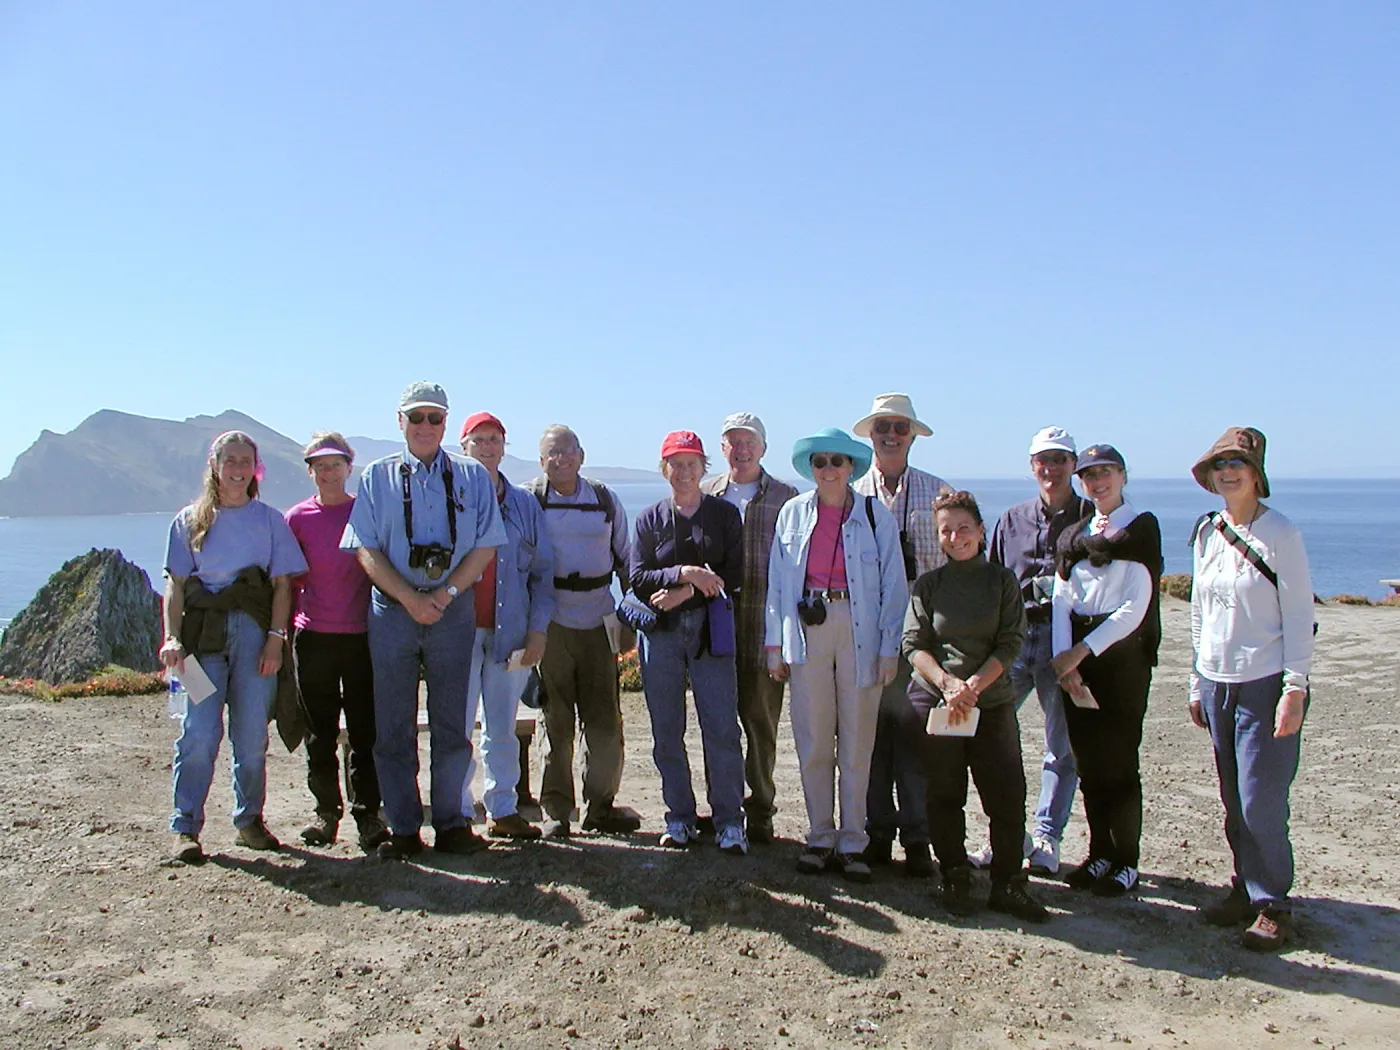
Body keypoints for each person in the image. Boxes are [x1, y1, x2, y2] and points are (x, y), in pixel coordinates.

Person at [341, 382, 506, 859]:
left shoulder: (473, 477)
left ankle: (452, 824)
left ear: (446, 423)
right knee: (392, 726)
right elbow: (365, 549)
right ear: (400, 422)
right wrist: (409, 598)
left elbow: (486, 544)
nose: (426, 426)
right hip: (393, 613)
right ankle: (405, 829)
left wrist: (446, 592)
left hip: (452, 613)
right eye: (417, 417)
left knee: (452, 723)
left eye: (435, 418)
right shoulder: (377, 477)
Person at [1188, 427, 1314, 951]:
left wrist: (1295, 687)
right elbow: (1199, 609)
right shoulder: (1207, 532)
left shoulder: (1281, 533)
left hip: (1265, 682)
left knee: (1262, 798)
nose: (1229, 472)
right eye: (1221, 464)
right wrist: (1195, 679)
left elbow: (1300, 614)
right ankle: (1246, 887)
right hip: (1218, 682)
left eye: (1238, 463)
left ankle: (1273, 905)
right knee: (1232, 797)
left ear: (1257, 472)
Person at [765, 427, 907, 882]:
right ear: (812, 468)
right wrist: (775, 644)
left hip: (859, 629)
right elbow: (777, 586)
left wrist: (889, 649)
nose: (828, 469)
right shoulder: (791, 514)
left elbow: (894, 589)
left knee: (857, 742)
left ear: (851, 468)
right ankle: (819, 836)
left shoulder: (874, 516)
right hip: (807, 631)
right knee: (812, 738)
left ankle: (853, 842)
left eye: (837, 461)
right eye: (820, 461)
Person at [160, 430, 308, 863]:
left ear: (255, 468)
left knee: (250, 736)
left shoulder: (269, 521)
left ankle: (249, 821)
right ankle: (184, 828)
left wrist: (276, 642)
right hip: (198, 642)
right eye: (231, 461)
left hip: (254, 638)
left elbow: (282, 586)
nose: (238, 470)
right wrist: (172, 638)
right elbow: (176, 584)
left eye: (246, 462)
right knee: (199, 733)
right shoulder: (189, 520)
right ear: (215, 465)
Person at [904, 491, 1047, 922]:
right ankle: (954, 876)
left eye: (964, 527)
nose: (955, 536)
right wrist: (948, 684)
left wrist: (974, 686)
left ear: (981, 531)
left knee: (1005, 796)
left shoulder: (1001, 581)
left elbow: (1011, 641)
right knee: (944, 793)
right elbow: (914, 645)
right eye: (946, 530)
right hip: (940, 702)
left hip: (993, 703)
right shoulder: (929, 586)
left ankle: (1008, 884)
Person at [1050, 444, 1162, 897]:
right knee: (1089, 762)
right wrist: (1063, 660)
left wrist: (1082, 652)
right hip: (1075, 661)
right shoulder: (1074, 534)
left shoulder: (1140, 528)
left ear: (1122, 475)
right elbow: (1061, 597)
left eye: (1106, 473)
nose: (1097, 483)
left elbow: (1137, 605)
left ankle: (1125, 860)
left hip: (1120, 661)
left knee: (1119, 762)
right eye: (1089, 475)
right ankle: (1098, 854)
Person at [630, 431, 748, 854]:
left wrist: (689, 592)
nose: (683, 472)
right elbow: (638, 577)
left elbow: (733, 574)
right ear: (664, 469)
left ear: (703, 468)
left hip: (710, 631)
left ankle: (730, 821)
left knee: (720, 728)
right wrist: (684, 573)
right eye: (675, 464)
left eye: (691, 464)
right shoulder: (648, 519)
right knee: (667, 730)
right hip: (660, 636)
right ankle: (679, 816)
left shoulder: (724, 515)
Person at [983, 426, 1092, 876]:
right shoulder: (1011, 520)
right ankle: (1009, 836)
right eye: (1043, 461)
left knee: (1061, 748)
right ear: (1032, 466)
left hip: (1062, 644)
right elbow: (992, 580)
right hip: (1014, 638)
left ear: (1073, 466)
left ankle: (1048, 838)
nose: (1051, 468)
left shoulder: (1092, 518)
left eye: (1060, 460)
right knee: (988, 738)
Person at [527, 425, 642, 839]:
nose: (561, 459)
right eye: (552, 453)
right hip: (551, 622)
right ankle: (556, 811)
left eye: (568, 451)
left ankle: (601, 807)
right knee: (554, 720)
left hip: (599, 620)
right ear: (542, 462)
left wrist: (631, 618)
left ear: (582, 455)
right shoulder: (530, 500)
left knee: (605, 721)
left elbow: (628, 560)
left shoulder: (604, 499)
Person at [852, 393, 950, 877]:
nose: (890, 435)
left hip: (922, 644)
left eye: (900, 427)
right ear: (870, 435)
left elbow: (958, 572)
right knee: (868, 743)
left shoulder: (939, 496)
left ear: (912, 435)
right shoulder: (849, 496)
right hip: (865, 638)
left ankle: (917, 838)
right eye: (882, 427)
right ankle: (876, 835)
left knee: (916, 743)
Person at [284, 432, 388, 852]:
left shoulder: (365, 512)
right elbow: (288, 582)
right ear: (310, 472)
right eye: (320, 465)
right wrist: (284, 633)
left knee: (366, 731)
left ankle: (368, 816)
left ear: (349, 467)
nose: (329, 472)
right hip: (314, 638)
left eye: (336, 464)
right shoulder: (296, 519)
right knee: (319, 732)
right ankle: (326, 813)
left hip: (362, 637)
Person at [700, 412, 798, 843]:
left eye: (748, 442)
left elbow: (796, 570)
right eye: (732, 442)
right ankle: (723, 806)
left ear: (762, 447)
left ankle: (760, 808)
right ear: (722, 449)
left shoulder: (786, 498)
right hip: (714, 629)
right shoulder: (704, 494)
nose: (740, 450)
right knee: (717, 722)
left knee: (761, 723)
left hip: (764, 627)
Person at [458, 411, 555, 840]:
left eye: (494, 439)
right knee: (456, 727)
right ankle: (457, 811)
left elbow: (542, 573)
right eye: (478, 440)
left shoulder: (525, 505)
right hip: (456, 634)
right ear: (463, 447)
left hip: (510, 634)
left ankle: (503, 808)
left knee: (502, 724)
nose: (486, 447)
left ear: (504, 446)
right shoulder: (449, 499)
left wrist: (537, 631)